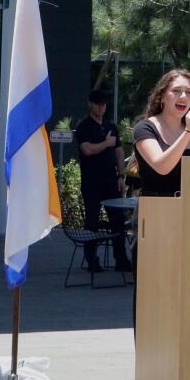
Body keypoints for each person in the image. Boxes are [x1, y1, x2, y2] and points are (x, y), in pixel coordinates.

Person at [74, 89, 133, 272]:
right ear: (90, 104)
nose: (101, 107)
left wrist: (121, 176)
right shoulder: (84, 126)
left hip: (111, 181)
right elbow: (87, 150)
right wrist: (105, 144)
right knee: (92, 221)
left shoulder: (111, 127)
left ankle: (121, 259)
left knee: (118, 220)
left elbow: (119, 152)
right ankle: (92, 260)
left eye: (104, 104)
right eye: (98, 103)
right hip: (92, 182)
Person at [132, 69, 190, 198]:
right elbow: (162, 167)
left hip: (187, 209)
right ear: (162, 96)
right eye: (176, 91)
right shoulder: (145, 128)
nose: (183, 96)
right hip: (155, 209)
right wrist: (188, 131)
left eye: (189, 92)